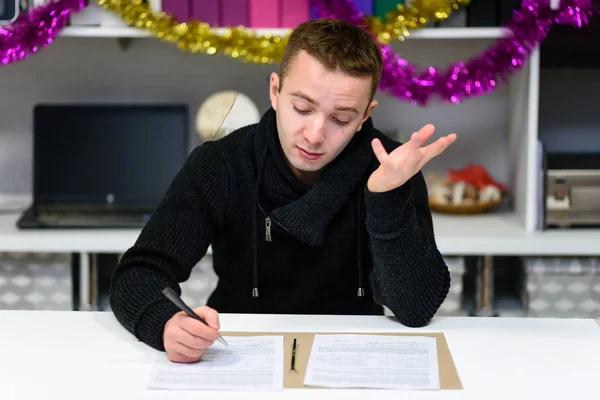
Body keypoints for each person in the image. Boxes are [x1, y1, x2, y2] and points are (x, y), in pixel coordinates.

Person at [109, 18, 457, 363]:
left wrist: (386, 198)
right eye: (302, 108)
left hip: (351, 353)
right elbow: (139, 273)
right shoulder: (221, 164)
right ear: (275, 91)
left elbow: (416, 308)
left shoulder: (392, 168)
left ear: (365, 115)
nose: (314, 135)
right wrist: (166, 324)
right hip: (236, 350)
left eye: (341, 119)